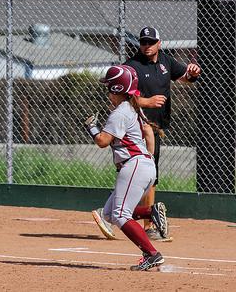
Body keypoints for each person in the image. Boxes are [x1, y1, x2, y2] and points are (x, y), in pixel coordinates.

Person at [85, 65, 169, 271]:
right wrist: (149, 156)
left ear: (116, 90)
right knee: (110, 214)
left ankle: (152, 254)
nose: (107, 93)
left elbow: (103, 141)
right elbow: (148, 131)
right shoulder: (132, 108)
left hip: (134, 165)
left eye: (109, 88)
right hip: (142, 164)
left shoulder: (121, 112)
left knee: (121, 215)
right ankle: (151, 213)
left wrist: (91, 127)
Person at [125, 26, 201, 239]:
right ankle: (148, 225)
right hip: (138, 128)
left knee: (143, 176)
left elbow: (183, 77)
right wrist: (145, 101)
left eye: (151, 42)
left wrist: (192, 74)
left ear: (159, 43)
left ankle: (113, 212)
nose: (147, 46)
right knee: (147, 176)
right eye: (143, 42)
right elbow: (119, 95)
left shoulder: (166, 62)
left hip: (156, 128)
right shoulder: (131, 66)